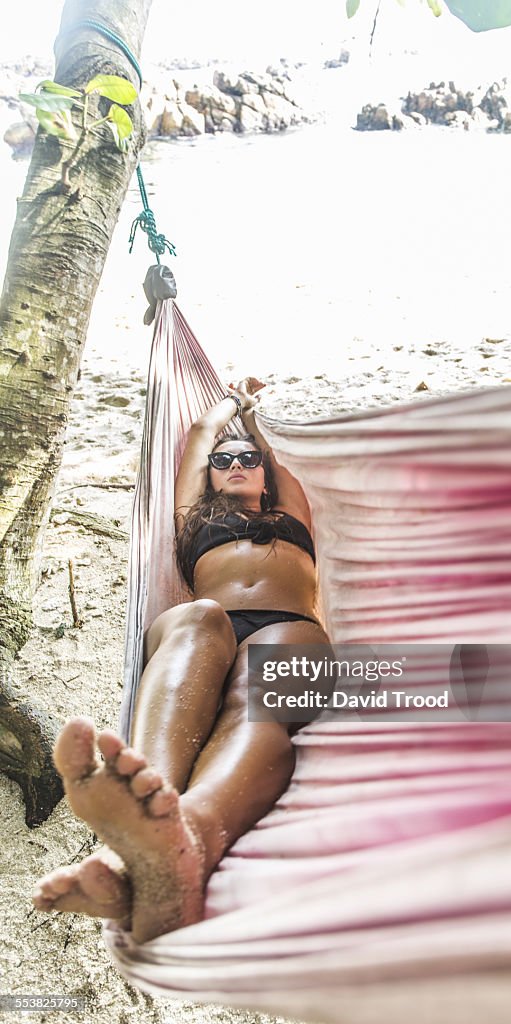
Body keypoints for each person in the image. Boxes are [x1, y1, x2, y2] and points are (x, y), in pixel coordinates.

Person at [33, 379, 330, 943]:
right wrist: (230, 407)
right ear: (209, 472)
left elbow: (275, 453)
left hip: (288, 630)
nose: (238, 463)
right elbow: (198, 432)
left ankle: (181, 837)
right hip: (211, 626)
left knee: (261, 677)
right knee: (200, 617)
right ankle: (151, 824)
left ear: (265, 473)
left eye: (249, 459)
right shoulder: (193, 515)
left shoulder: (293, 513)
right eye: (225, 459)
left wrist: (254, 417)